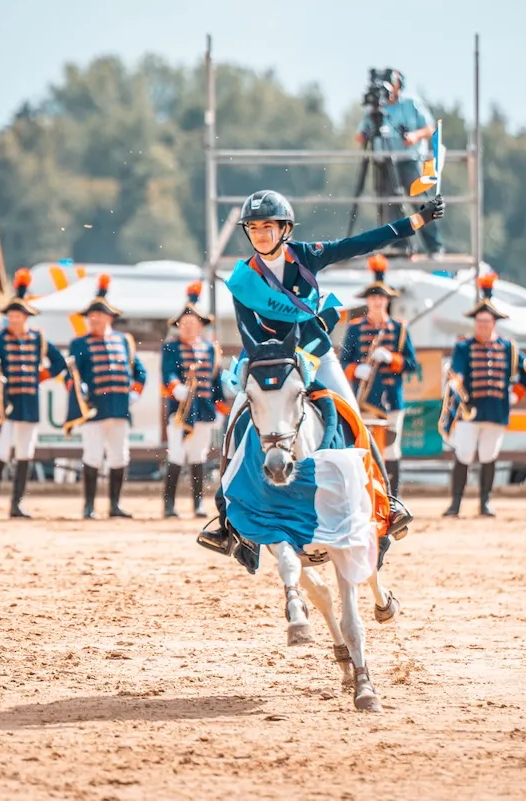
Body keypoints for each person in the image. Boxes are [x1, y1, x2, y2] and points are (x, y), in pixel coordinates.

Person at [197, 188, 443, 560]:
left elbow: (359, 243)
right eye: (254, 228)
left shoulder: (307, 256)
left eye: (268, 226)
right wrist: (271, 363)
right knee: (234, 426)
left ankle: (387, 502)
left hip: (315, 354)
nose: (260, 234)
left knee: (355, 419)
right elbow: (248, 332)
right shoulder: (244, 279)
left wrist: (416, 221)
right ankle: (227, 522)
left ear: (285, 229)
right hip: (267, 359)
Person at [441, 272, 526, 518]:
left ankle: (485, 502)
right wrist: (456, 382)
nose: (482, 326)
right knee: (463, 454)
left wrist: (515, 395)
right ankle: (455, 503)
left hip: (497, 410)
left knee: (488, 456)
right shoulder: (464, 347)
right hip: (470, 410)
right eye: (479, 322)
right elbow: (458, 370)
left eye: (486, 322)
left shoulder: (508, 348)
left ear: (494, 323)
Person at [0, 269, 66, 520]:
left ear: (25, 317)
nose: (14, 319)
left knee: (25, 453)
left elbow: (59, 362)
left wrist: (42, 376)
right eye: (10, 315)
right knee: (1, 451)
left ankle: (16, 503)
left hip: (29, 402)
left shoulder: (37, 338)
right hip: (6, 402)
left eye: (18, 315)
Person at [66, 275, 147, 519]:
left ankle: (115, 505)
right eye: (91, 316)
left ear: (109, 318)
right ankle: (89, 506)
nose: (94, 320)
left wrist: (134, 393)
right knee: (92, 455)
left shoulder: (124, 341)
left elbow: (140, 372)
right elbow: (72, 374)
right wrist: (79, 389)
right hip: (93, 409)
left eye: (99, 315)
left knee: (119, 456)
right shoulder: (79, 343)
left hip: (120, 408)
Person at [340, 254, 418, 497]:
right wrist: (355, 370)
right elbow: (343, 362)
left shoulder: (399, 328)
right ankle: (365, 494)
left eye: (381, 297)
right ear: (368, 300)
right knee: (364, 447)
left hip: (391, 398)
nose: (377, 301)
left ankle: (392, 497)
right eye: (373, 297)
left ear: (387, 300)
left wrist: (392, 359)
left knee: (392, 449)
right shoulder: (355, 328)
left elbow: (412, 364)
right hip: (364, 399)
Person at [355, 69, 443, 255]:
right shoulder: (374, 108)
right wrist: (367, 132)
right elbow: (360, 136)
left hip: (409, 160)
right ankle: (399, 247)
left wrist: (414, 136)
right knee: (389, 205)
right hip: (384, 162)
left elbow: (430, 128)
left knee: (420, 202)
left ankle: (434, 246)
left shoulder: (411, 103)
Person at [160, 281, 229, 518]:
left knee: (199, 455)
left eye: (192, 323)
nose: (188, 327)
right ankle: (169, 505)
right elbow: (167, 372)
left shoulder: (210, 348)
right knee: (176, 454)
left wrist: (220, 408)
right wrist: (176, 387)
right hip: (180, 410)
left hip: (204, 409)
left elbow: (215, 381)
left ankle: (198, 504)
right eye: (184, 323)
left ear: (200, 325)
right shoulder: (170, 347)